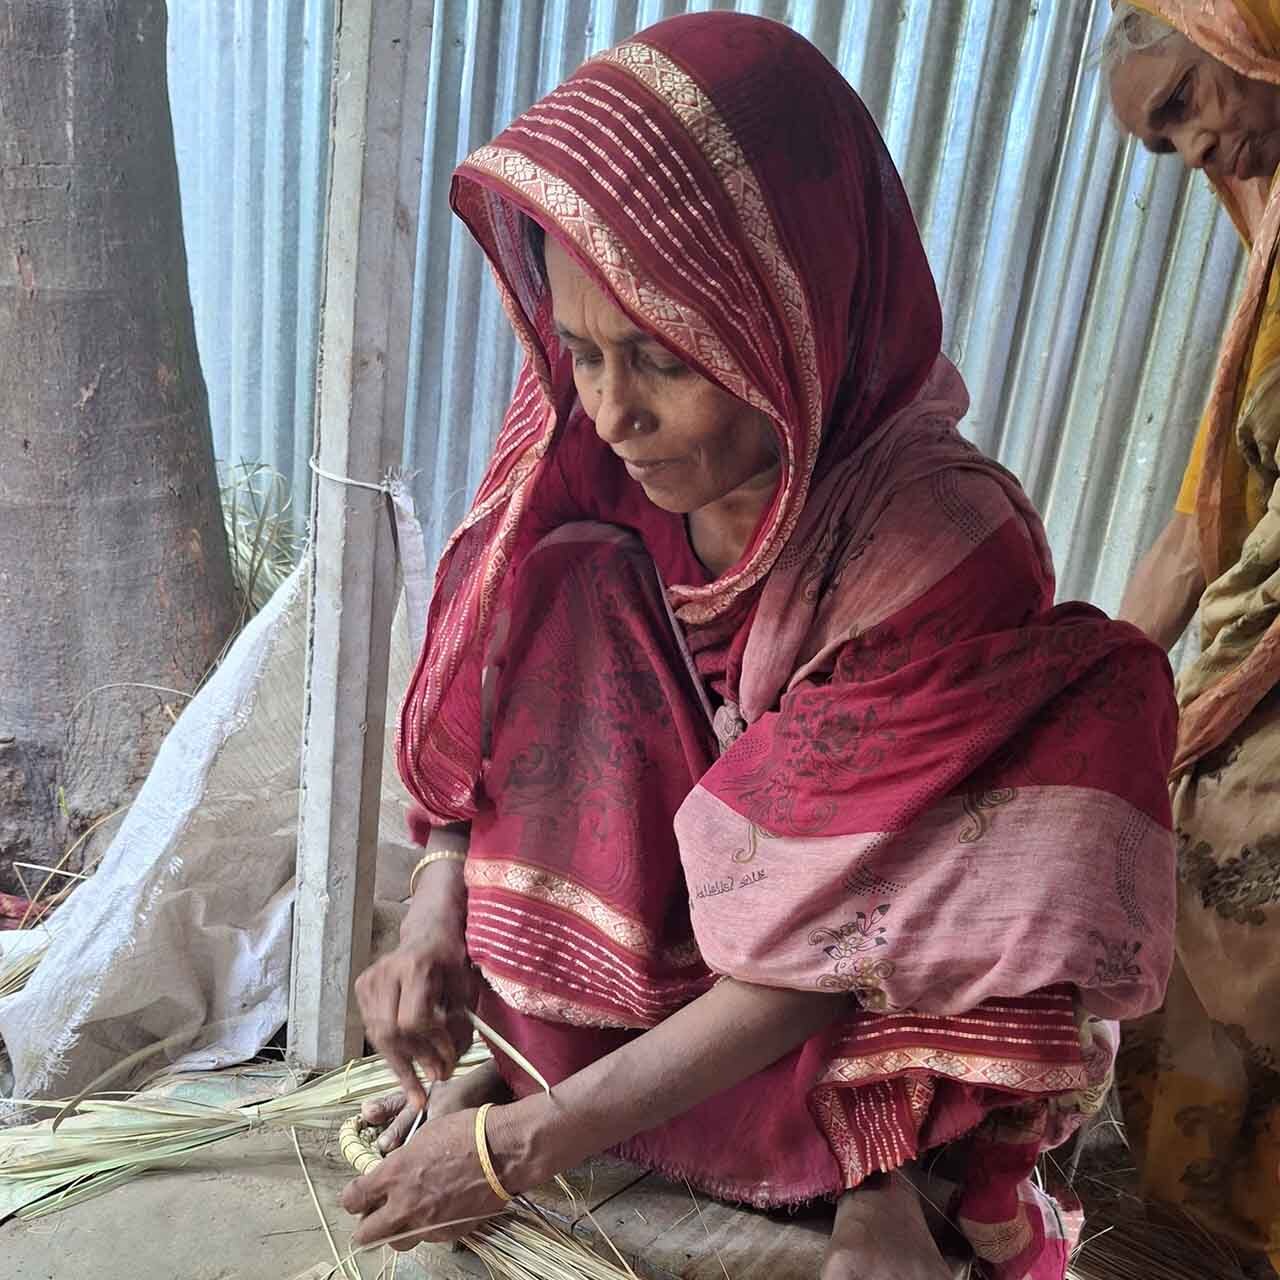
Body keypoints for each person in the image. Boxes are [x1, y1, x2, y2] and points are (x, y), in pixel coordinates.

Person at [342, 14, 1178, 1280]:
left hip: (838, 989)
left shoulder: (934, 546)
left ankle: (882, 1166)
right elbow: (487, 715)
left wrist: (518, 1151)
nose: (612, 408)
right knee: (558, 579)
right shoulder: (599, 452)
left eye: (664, 361)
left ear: (790, 323)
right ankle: (534, 1049)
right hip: (684, 956)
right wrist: (433, 903)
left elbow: (831, 939)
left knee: (1014, 845)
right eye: (579, 352)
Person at [1107, 1, 1280, 1269]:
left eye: (1180, 106)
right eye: (1159, 142)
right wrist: (1095, 682)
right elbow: (1205, 522)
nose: (1188, 157)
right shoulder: (1269, 255)